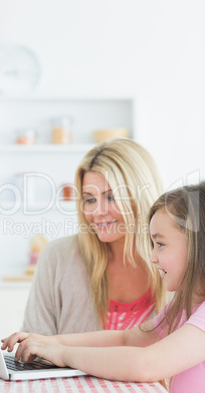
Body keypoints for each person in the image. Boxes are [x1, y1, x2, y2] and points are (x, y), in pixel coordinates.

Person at [2, 182, 205, 393]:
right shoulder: (184, 305)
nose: (152, 257)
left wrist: (62, 354)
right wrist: (49, 342)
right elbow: (128, 339)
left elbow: (147, 364)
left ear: (198, 245)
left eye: (160, 244)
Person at [21, 138, 168, 335]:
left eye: (111, 197)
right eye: (90, 199)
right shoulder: (57, 256)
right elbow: (33, 344)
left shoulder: (179, 261)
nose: (97, 212)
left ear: (140, 197)